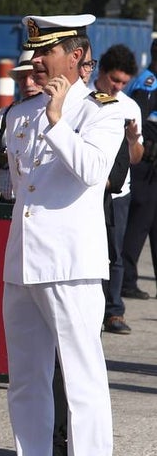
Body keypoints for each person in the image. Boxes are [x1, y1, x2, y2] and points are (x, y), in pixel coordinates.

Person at [0, 15, 118, 456]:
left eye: (46, 51)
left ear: (76, 56)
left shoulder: (102, 110)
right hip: (24, 258)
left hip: (71, 261)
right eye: (34, 50)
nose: (35, 60)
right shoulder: (21, 113)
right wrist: (45, 113)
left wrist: (59, 120)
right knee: (25, 377)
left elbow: (92, 170)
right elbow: (21, 187)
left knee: (82, 377)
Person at [91, 45, 143, 334]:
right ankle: (90, 310)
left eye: (124, 82)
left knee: (115, 253)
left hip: (118, 194)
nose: (118, 87)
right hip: (87, 190)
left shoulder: (129, 107)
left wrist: (133, 140)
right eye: (114, 80)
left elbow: (135, 158)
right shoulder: (83, 98)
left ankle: (113, 311)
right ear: (101, 72)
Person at [120, 38, 157, 301]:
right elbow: (139, 123)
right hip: (144, 164)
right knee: (139, 223)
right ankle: (127, 281)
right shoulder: (148, 83)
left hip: (150, 165)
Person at [0, 51, 40, 204]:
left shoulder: (55, 114)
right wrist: (3, 156)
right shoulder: (6, 114)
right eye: (22, 78)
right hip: (7, 202)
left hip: (38, 204)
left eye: (33, 77)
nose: (28, 83)